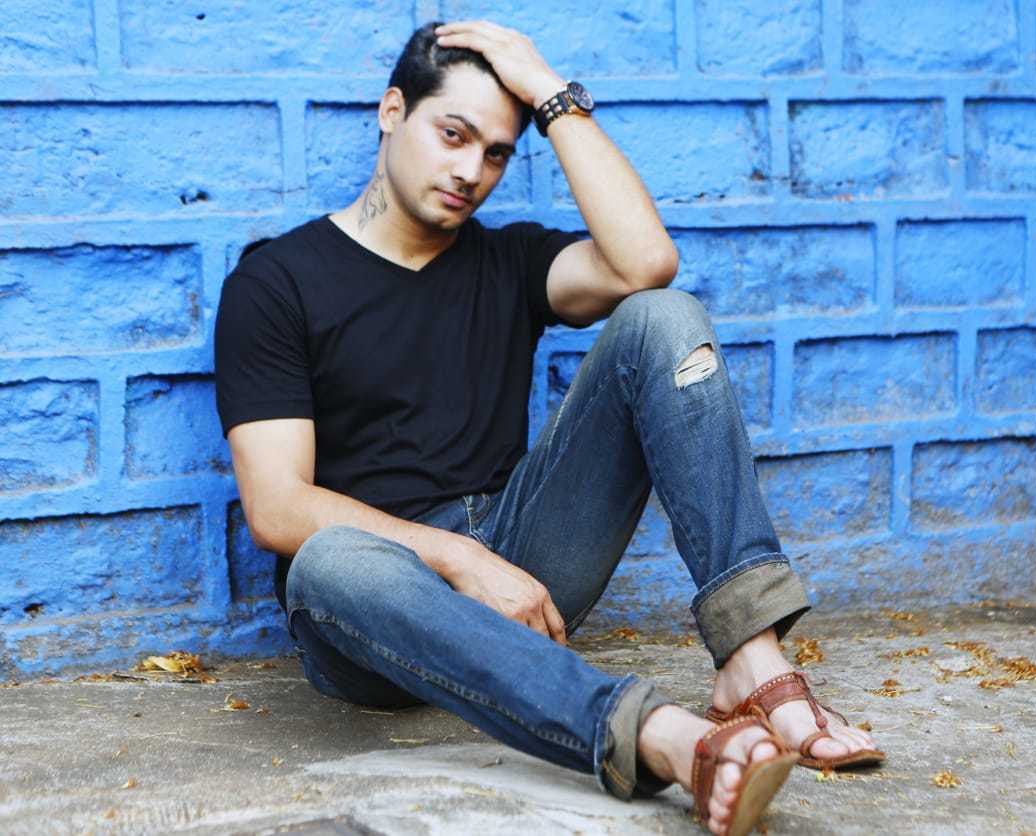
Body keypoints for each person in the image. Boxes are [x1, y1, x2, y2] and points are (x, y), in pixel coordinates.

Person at [214, 20, 883, 835]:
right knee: (326, 560)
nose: (472, 171)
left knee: (663, 317)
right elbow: (278, 507)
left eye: (496, 153)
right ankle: (655, 736)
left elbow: (646, 265)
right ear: (393, 111)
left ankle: (750, 655)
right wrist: (461, 560)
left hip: (520, 568)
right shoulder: (276, 282)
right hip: (372, 606)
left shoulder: (510, 262)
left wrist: (551, 94)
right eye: (453, 134)